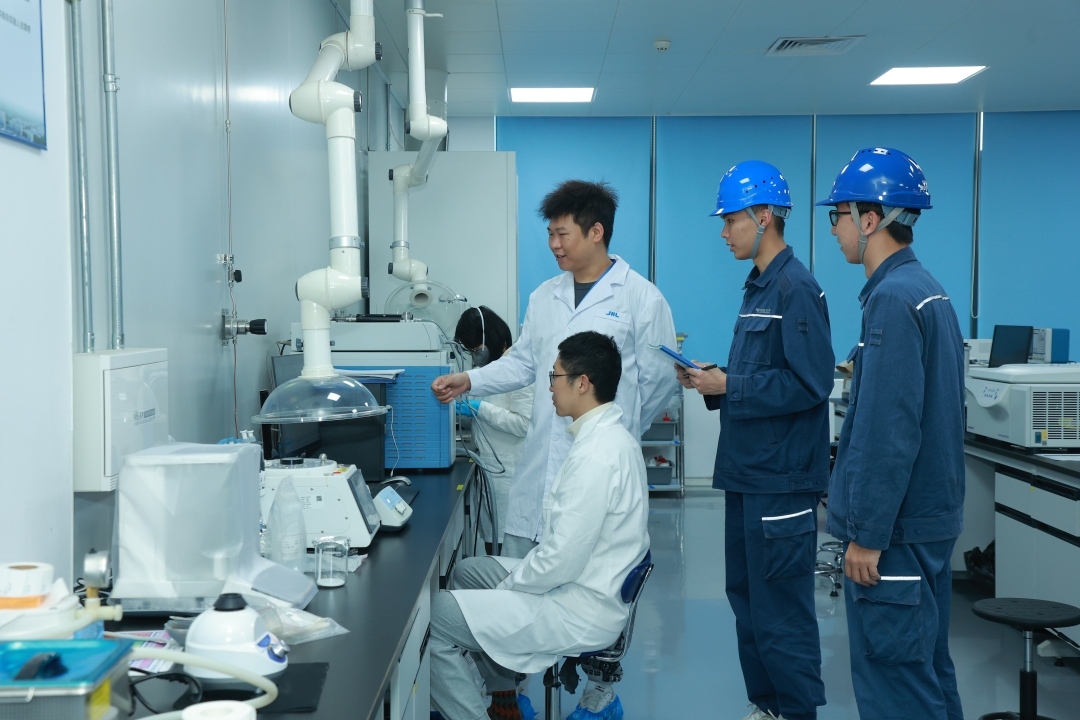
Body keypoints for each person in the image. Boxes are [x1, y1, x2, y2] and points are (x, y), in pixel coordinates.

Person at [432, 179, 677, 559]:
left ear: (596, 232)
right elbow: (523, 363)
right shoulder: (545, 296)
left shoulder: (641, 298)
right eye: (550, 234)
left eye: (562, 234)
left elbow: (658, 380)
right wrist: (469, 380)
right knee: (522, 575)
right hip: (538, 470)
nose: (553, 244)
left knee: (587, 573)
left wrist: (617, 427)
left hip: (600, 465)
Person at [676, 161, 833, 720]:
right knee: (746, 600)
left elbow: (811, 384)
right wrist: (714, 382)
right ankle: (766, 706)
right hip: (748, 473)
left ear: (763, 217)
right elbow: (762, 378)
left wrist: (731, 384)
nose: (724, 232)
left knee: (781, 610)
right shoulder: (758, 287)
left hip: (781, 480)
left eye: (731, 220)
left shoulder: (796, 289)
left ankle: (796, 712)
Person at [428, 331, 650, 720]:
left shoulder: (596, 457)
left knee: (432, 618)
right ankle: (501, 697)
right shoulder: (610, 437)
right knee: (467, 572)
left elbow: (560, 561)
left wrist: (507, 590)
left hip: (578, 606)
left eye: (555, 376)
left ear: (582, 384)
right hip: (585, 582)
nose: (549, 386)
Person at [817, 147, 965, 720]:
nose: (834, 229)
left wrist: (869, 534)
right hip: (927, 522)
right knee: (927, 673)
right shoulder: (926, 289)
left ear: (870, 219)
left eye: (839, 215)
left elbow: (889, 431)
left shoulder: (892, 299)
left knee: (897, 686)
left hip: (897, 533)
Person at [453, 306, 534, 554]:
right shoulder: (491, 370)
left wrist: (480, 409)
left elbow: (524, 424)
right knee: (493, 545)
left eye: (476, 349)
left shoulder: (518, 370)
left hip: (510, 475)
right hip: (492, 471)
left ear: (492, 338)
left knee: (505, 551)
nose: (474, 356)